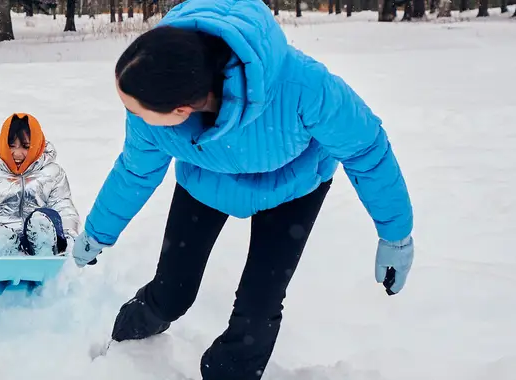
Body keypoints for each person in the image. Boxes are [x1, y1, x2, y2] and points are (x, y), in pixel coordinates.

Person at [69, 0, 417, 378]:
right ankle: (124, 354)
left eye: (135, 108)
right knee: (171, 293)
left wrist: (395, 235)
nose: (130, 114)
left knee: (256, 311)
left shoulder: (303, 88)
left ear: (181, 109)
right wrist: (98, 232)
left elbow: (367, 150)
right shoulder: (152, 114)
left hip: (291, 188)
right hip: (206, 180)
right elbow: (134, 172)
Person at [0, 113, 81, 257]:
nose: (17, 153)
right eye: (11, 146)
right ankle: (1, 246)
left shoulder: (52, 173)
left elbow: (63, 206)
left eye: (25, 146)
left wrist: (70, 237)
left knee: (48, 216)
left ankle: (43, 248)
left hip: (36, 235)